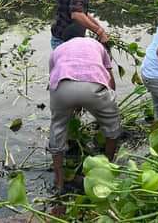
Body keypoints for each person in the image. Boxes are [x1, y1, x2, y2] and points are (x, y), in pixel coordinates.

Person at [48, 30, 121, 193]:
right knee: (113, 127)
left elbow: (53, 78)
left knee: (57, 128)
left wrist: (71, 105)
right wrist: (109, 105)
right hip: (94, 87)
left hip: (62, 88)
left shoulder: (58, 50)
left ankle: (58, 181)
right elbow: (110, 78)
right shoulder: (97, 45)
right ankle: (107, 167)